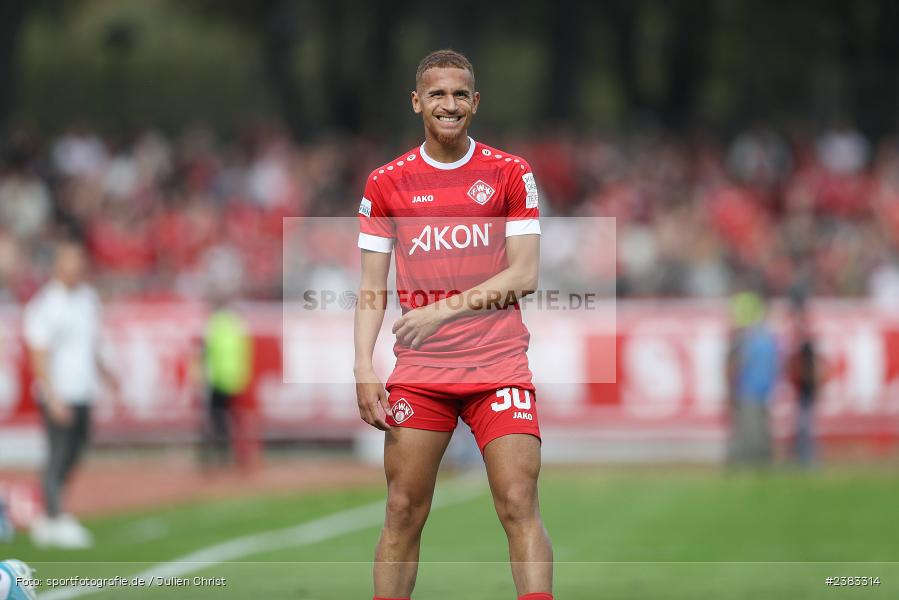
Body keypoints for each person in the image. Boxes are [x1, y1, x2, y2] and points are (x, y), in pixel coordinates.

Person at [354, 49, 553, 600]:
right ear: (417, 101)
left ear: (475, 102)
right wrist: (362, 368)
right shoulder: (385, 182)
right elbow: (371, 286)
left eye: (460, 94)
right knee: (402, 510)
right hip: (421, 373)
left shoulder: (510, 172)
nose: (449, 104)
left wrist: (441, 310)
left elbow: (526, 273)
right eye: (437, 94)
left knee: (518, 503)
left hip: (499, 366)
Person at [23, 238, 117, 548]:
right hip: (59, 392)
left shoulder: (88, 298)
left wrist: (106, 373)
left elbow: (92, 344)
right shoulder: (45, 306)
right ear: (57, 266)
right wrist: (52, 397)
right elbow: (39, 356)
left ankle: (50, 511)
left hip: (84, 389)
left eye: (80, 261)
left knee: (76, 452)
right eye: (70, 261)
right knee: (58, 452)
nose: (77, 267)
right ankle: (53, 515)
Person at [725, 291, 779, 467]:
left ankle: (748, 461)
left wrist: (731, 385)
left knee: (749, 428)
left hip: (748, 389)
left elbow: (737, 364)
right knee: (760, 427)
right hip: (762, 388)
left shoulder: (747, 338)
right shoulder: (767, 336)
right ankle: (762, 460)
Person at [199, 297, 252, 469]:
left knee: (217, 419)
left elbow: (205, 350)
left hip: (218, 378)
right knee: (236, 419)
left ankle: (220, 457)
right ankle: (240, 456)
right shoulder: (237, 323)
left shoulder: (213, 323)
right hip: (236, 378)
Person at [787, 304, 820, 466]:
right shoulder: (804, 346)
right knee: (804, 426)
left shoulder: (806, 347)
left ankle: (808, 460)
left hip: (806, 391)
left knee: (805, 426)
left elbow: (811, 369)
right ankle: (805, 458)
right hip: (805, 391)